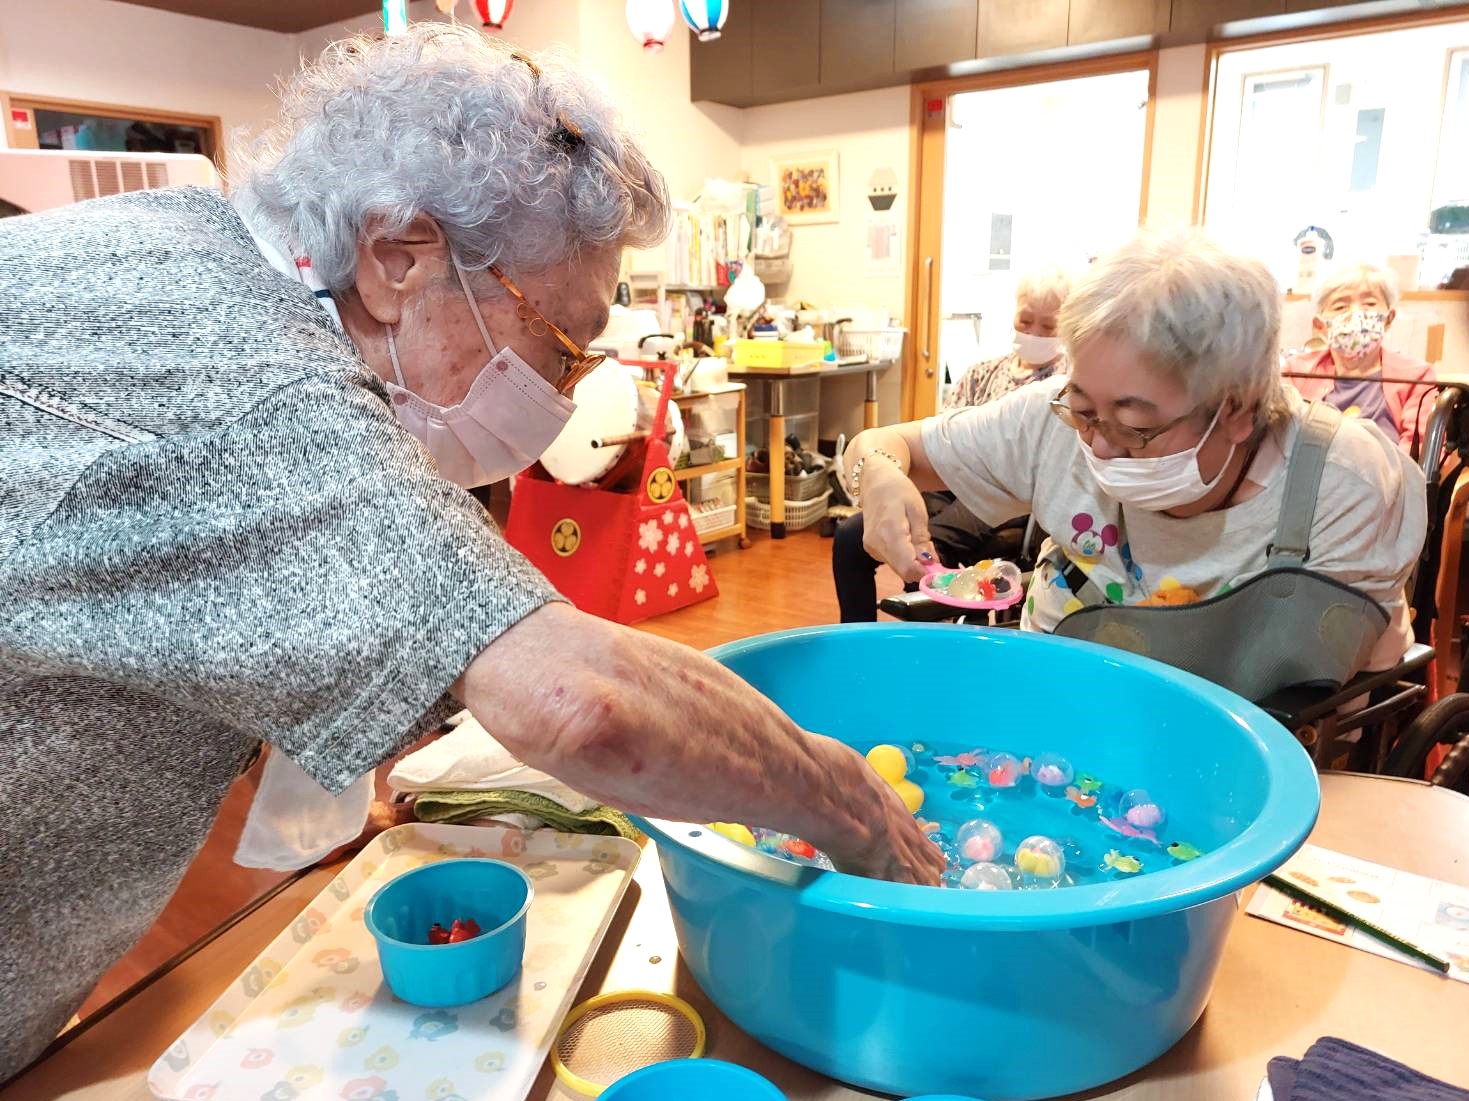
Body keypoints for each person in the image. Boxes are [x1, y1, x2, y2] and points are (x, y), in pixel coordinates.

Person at [0, 26, 941, 1076]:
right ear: (399, 256)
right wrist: (842, 800)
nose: (567, 389)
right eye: (558, 340)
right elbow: (582, 699)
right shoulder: (247, 384)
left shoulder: (174, 247)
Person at [844, 231, 1425, 668]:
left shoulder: (1344, 485)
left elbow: (1337, 685)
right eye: (1084, 409)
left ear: (1240, 408)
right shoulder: (1053, 418)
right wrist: (878, 470)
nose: (1096, 441)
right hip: (1060, 692)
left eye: (1134, 425)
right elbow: (888, 444)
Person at [831, 267, 1070, 622]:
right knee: (852, 534)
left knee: (924, 543)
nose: (1034, 333)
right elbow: (940, 441)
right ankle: (855, 638)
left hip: (1007, 492)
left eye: (1047, 327)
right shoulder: (983, 372)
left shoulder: (1065, 389)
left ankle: (934, 646)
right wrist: (879, 471)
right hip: (956, 476)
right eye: (1025, 320)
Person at [1287, 262, 1438, 455]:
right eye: (1340, 306)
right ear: (1320, 325)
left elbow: (1419, 452)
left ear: (1388, 318)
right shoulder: (1296, 372)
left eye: (1369, 304)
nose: (1356, 314)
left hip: (1387, 480)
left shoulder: (1417, 376)